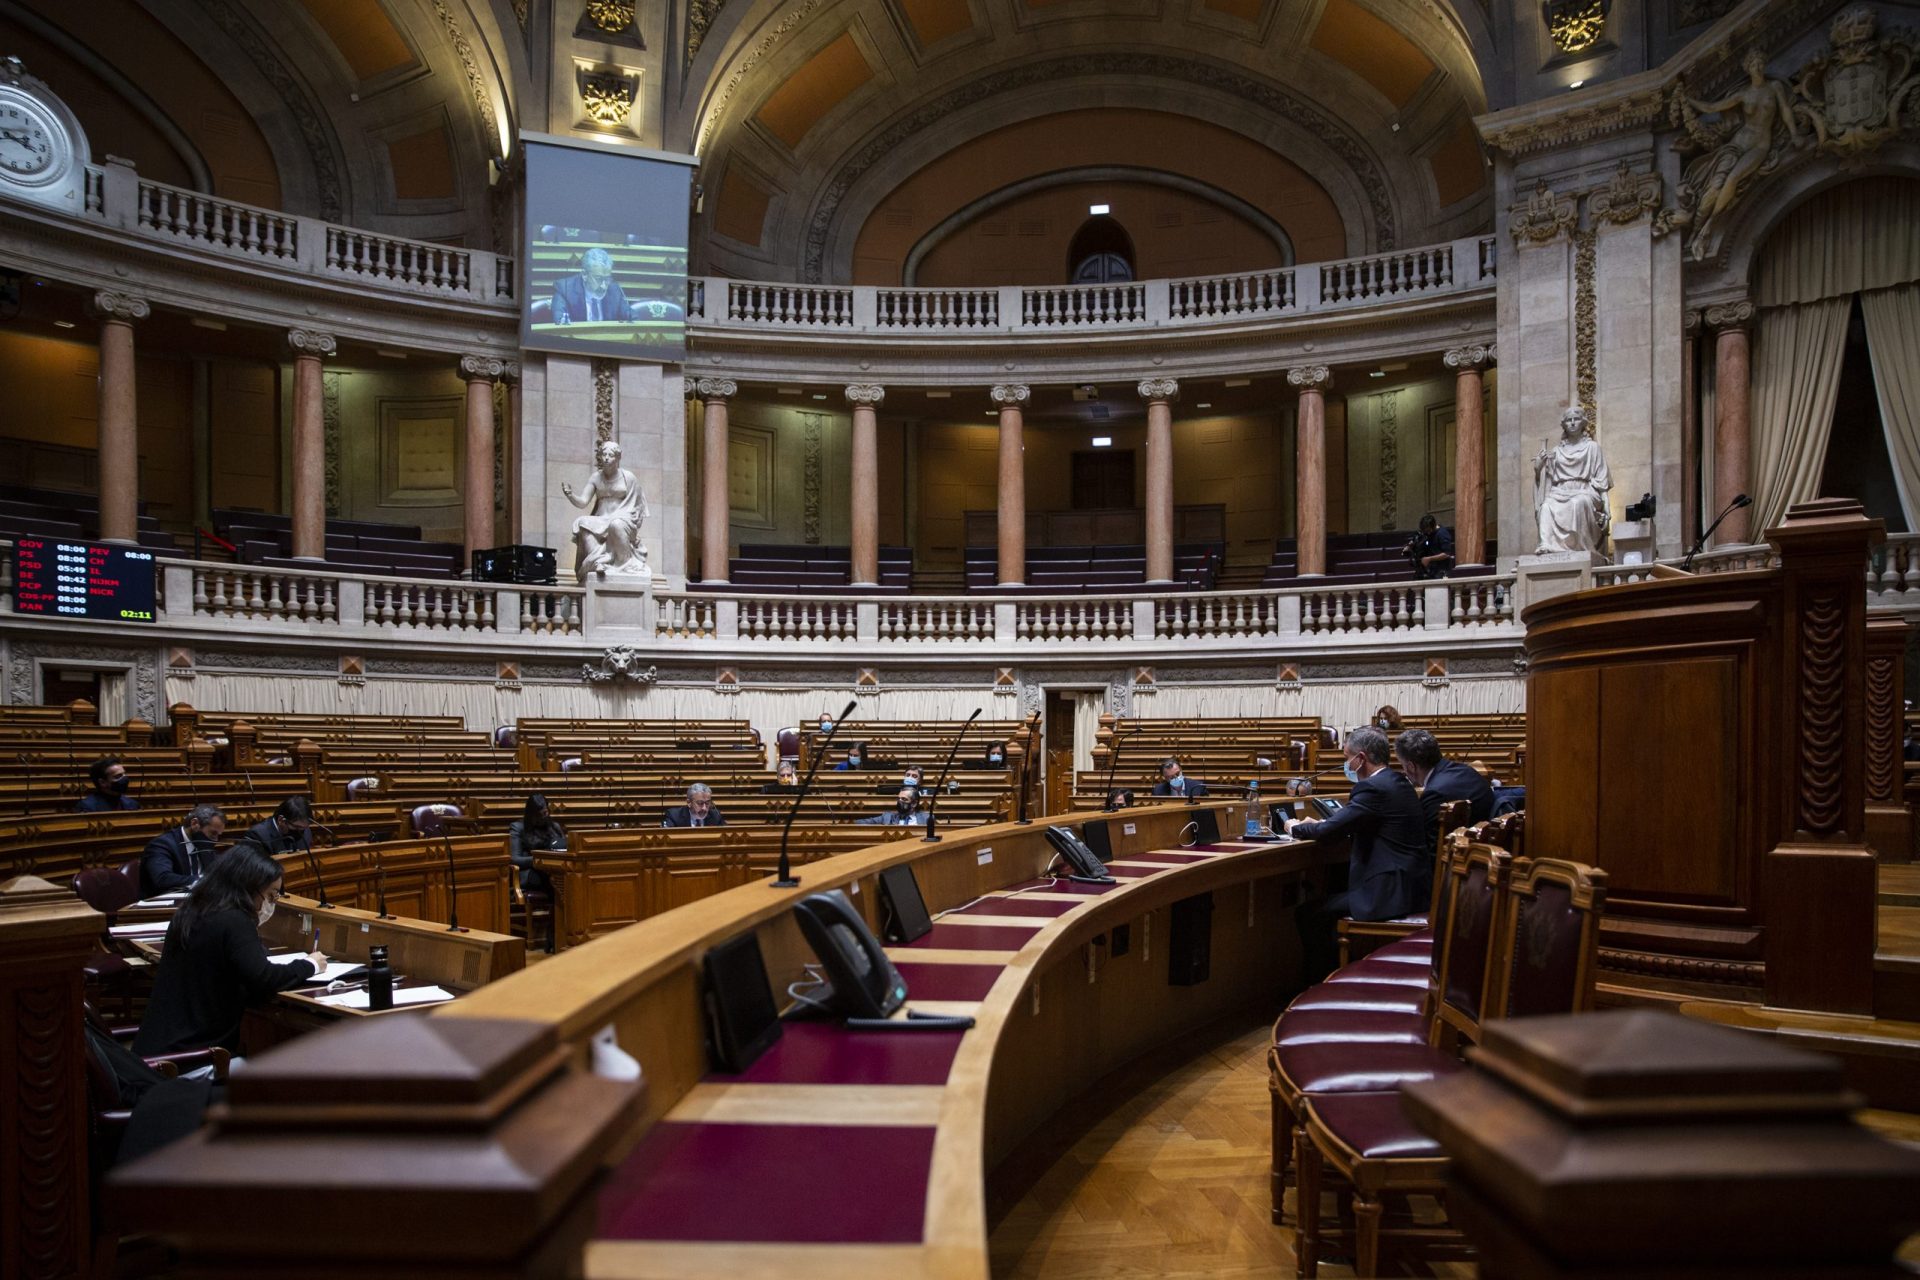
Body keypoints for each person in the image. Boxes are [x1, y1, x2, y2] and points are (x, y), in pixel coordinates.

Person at [132, 843, 326, 1057]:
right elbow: (264, 979)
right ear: (248, 887)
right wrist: (310, 964)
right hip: (192, 1060)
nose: (270, 904)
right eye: (270, 896)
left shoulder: (191, 910)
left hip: (157, 1050)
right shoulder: (234, 920)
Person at [1286, 726, 1430, 982]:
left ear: (1360, 758)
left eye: (1346, 757)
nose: (1346, 763)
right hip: (1412, 886)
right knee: (1328, 897)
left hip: (1388, 892)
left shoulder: (1373, 789)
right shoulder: (1399, 782)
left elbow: (1329, 831)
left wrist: (1296, 827)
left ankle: (1320, 985)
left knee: (1309, 914)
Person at [562, 439, 649, 582]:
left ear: (618, 458)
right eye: (604, 455)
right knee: (582, 523)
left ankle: (622, 562)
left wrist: (633, 523)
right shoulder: (596, 477)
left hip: (623, 519)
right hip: (601, 519)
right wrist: (571, 495)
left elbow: (638, 505)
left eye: (610, 455)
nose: (607, 458)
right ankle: (598, 561)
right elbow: (583, 501)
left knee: (616, 524)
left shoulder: (629, 478)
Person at [1532, 405, 1612, 554]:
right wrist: (1538, 468)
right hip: (1559, 491)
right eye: (1569, 420)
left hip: (1584, 490)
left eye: (1576, 419)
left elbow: (1602, 482)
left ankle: (1580, 547)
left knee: (1578, 502)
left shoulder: (1592, 448)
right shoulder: (1556, 451)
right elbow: (1545, 482)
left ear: (1583, 423)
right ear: (1564, 425)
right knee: (1546, 507)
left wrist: (1607, 507)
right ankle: (1546, 545)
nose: (1573, 423)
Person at [140, 804, 227, 897]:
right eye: (213, 833)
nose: (215, 840)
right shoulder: (162, 844)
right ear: (194, 824)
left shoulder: (203, 845)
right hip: (163, 905)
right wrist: (203, 881)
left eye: (218, 835)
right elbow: (163, 879)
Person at [550, 247, 633, 324]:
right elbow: (560, 323)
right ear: (584, 275)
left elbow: (633, 318)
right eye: (598, 278)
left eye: (607, 279)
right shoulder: (565, 289)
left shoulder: (614, 290)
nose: (604, 286)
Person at [507, 794, 566, 891]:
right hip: (532, 871)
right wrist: (541, 859)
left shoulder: (555, 827)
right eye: (540, 815)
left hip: (556, 870)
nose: (543, 817)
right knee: (555, 881)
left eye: (545, 813)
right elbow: (514, 859)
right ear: (532, 814)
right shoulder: (518, 828)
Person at [234, 796, 315, 857]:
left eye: (304, 827)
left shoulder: (306, 831)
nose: (301, 831)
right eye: (296, 827)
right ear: (281, 820)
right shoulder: (257, 835)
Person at [1404, 514, 1456, 579]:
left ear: (1433, 526)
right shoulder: (1428, 534)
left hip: (1442, 570)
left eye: (1428, 530)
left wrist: (1429, 559)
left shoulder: (1442, 534)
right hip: (1432, 570)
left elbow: (1446, 554)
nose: (1427, 533)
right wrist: (1410, 545)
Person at [858, 788, 928, 826]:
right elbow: (859, 823)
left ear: (914, 804)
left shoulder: (926, 818)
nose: (899, 801)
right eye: (899, 799)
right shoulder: (887, 816)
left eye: (904, 799)